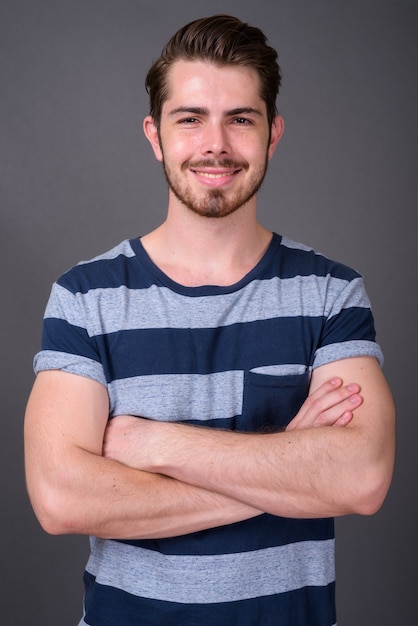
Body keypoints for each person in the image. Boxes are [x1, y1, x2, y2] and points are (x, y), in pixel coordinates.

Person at [24, 14, 395, 626]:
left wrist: (152, 443)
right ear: (155, 135)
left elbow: (360, 477)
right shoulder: (84, 297)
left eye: (240, 119)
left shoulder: (331, 293)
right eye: (190, 118)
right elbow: (61, 499)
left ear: (272, 133)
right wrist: (288, 463)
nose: (215, 144)